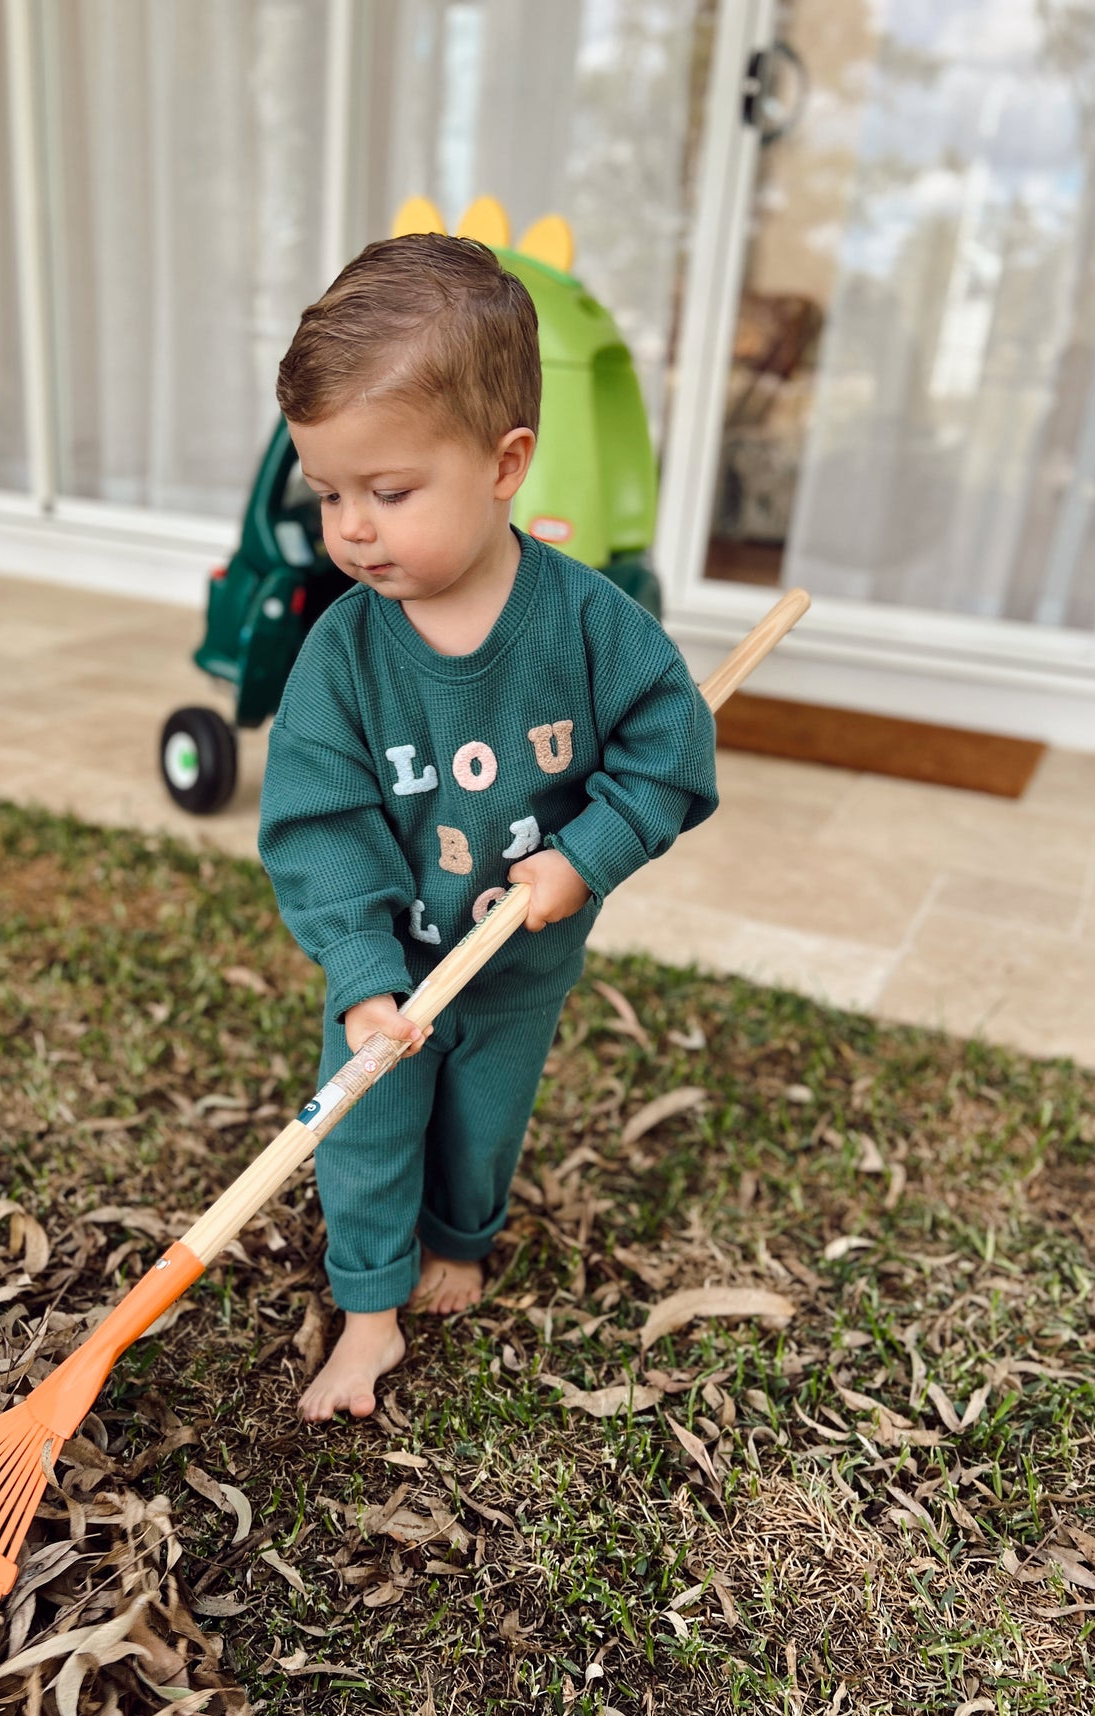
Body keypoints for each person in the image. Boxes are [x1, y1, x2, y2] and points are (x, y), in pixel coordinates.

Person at [258, 233, 717, 1421]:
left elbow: (668, 751)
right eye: (328, 495)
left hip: (515, 963)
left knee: (480, 1120)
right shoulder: (343, 654)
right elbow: (318, 817)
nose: (351, 530)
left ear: (503, 463)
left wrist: (588, 853)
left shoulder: (588, 627)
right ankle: (368, 1314)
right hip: (391, 964)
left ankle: (460, 1238)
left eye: (389, 492)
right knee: (365, 1127)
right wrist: (360, 973)